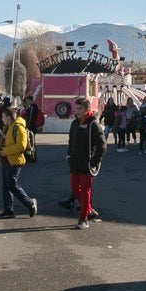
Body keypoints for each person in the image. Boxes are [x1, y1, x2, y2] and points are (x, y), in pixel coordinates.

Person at [66, 95, 105, 229]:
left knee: (85, 190)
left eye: (80, 108)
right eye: (76, 108)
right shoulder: (75, 123)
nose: (77, 111)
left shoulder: (93, 124)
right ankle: (88, 208)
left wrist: (94, 161)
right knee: (74, 188)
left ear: (87, 109)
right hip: (75, 162)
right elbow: (71, 141)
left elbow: (102, 145)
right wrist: (68, 155)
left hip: (87, 163)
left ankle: (83, 219)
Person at [0, 105, 37, 219]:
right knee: (6, 186)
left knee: (12, 185)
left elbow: (21, 146)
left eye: (3, 117)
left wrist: (4, 151)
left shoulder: (18, 127)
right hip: (6, 160)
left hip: (14, 160)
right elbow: (7, 143)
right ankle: (8, 210)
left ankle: (29, 203)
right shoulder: (8, 127)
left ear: (8, 117)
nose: (2, 119)